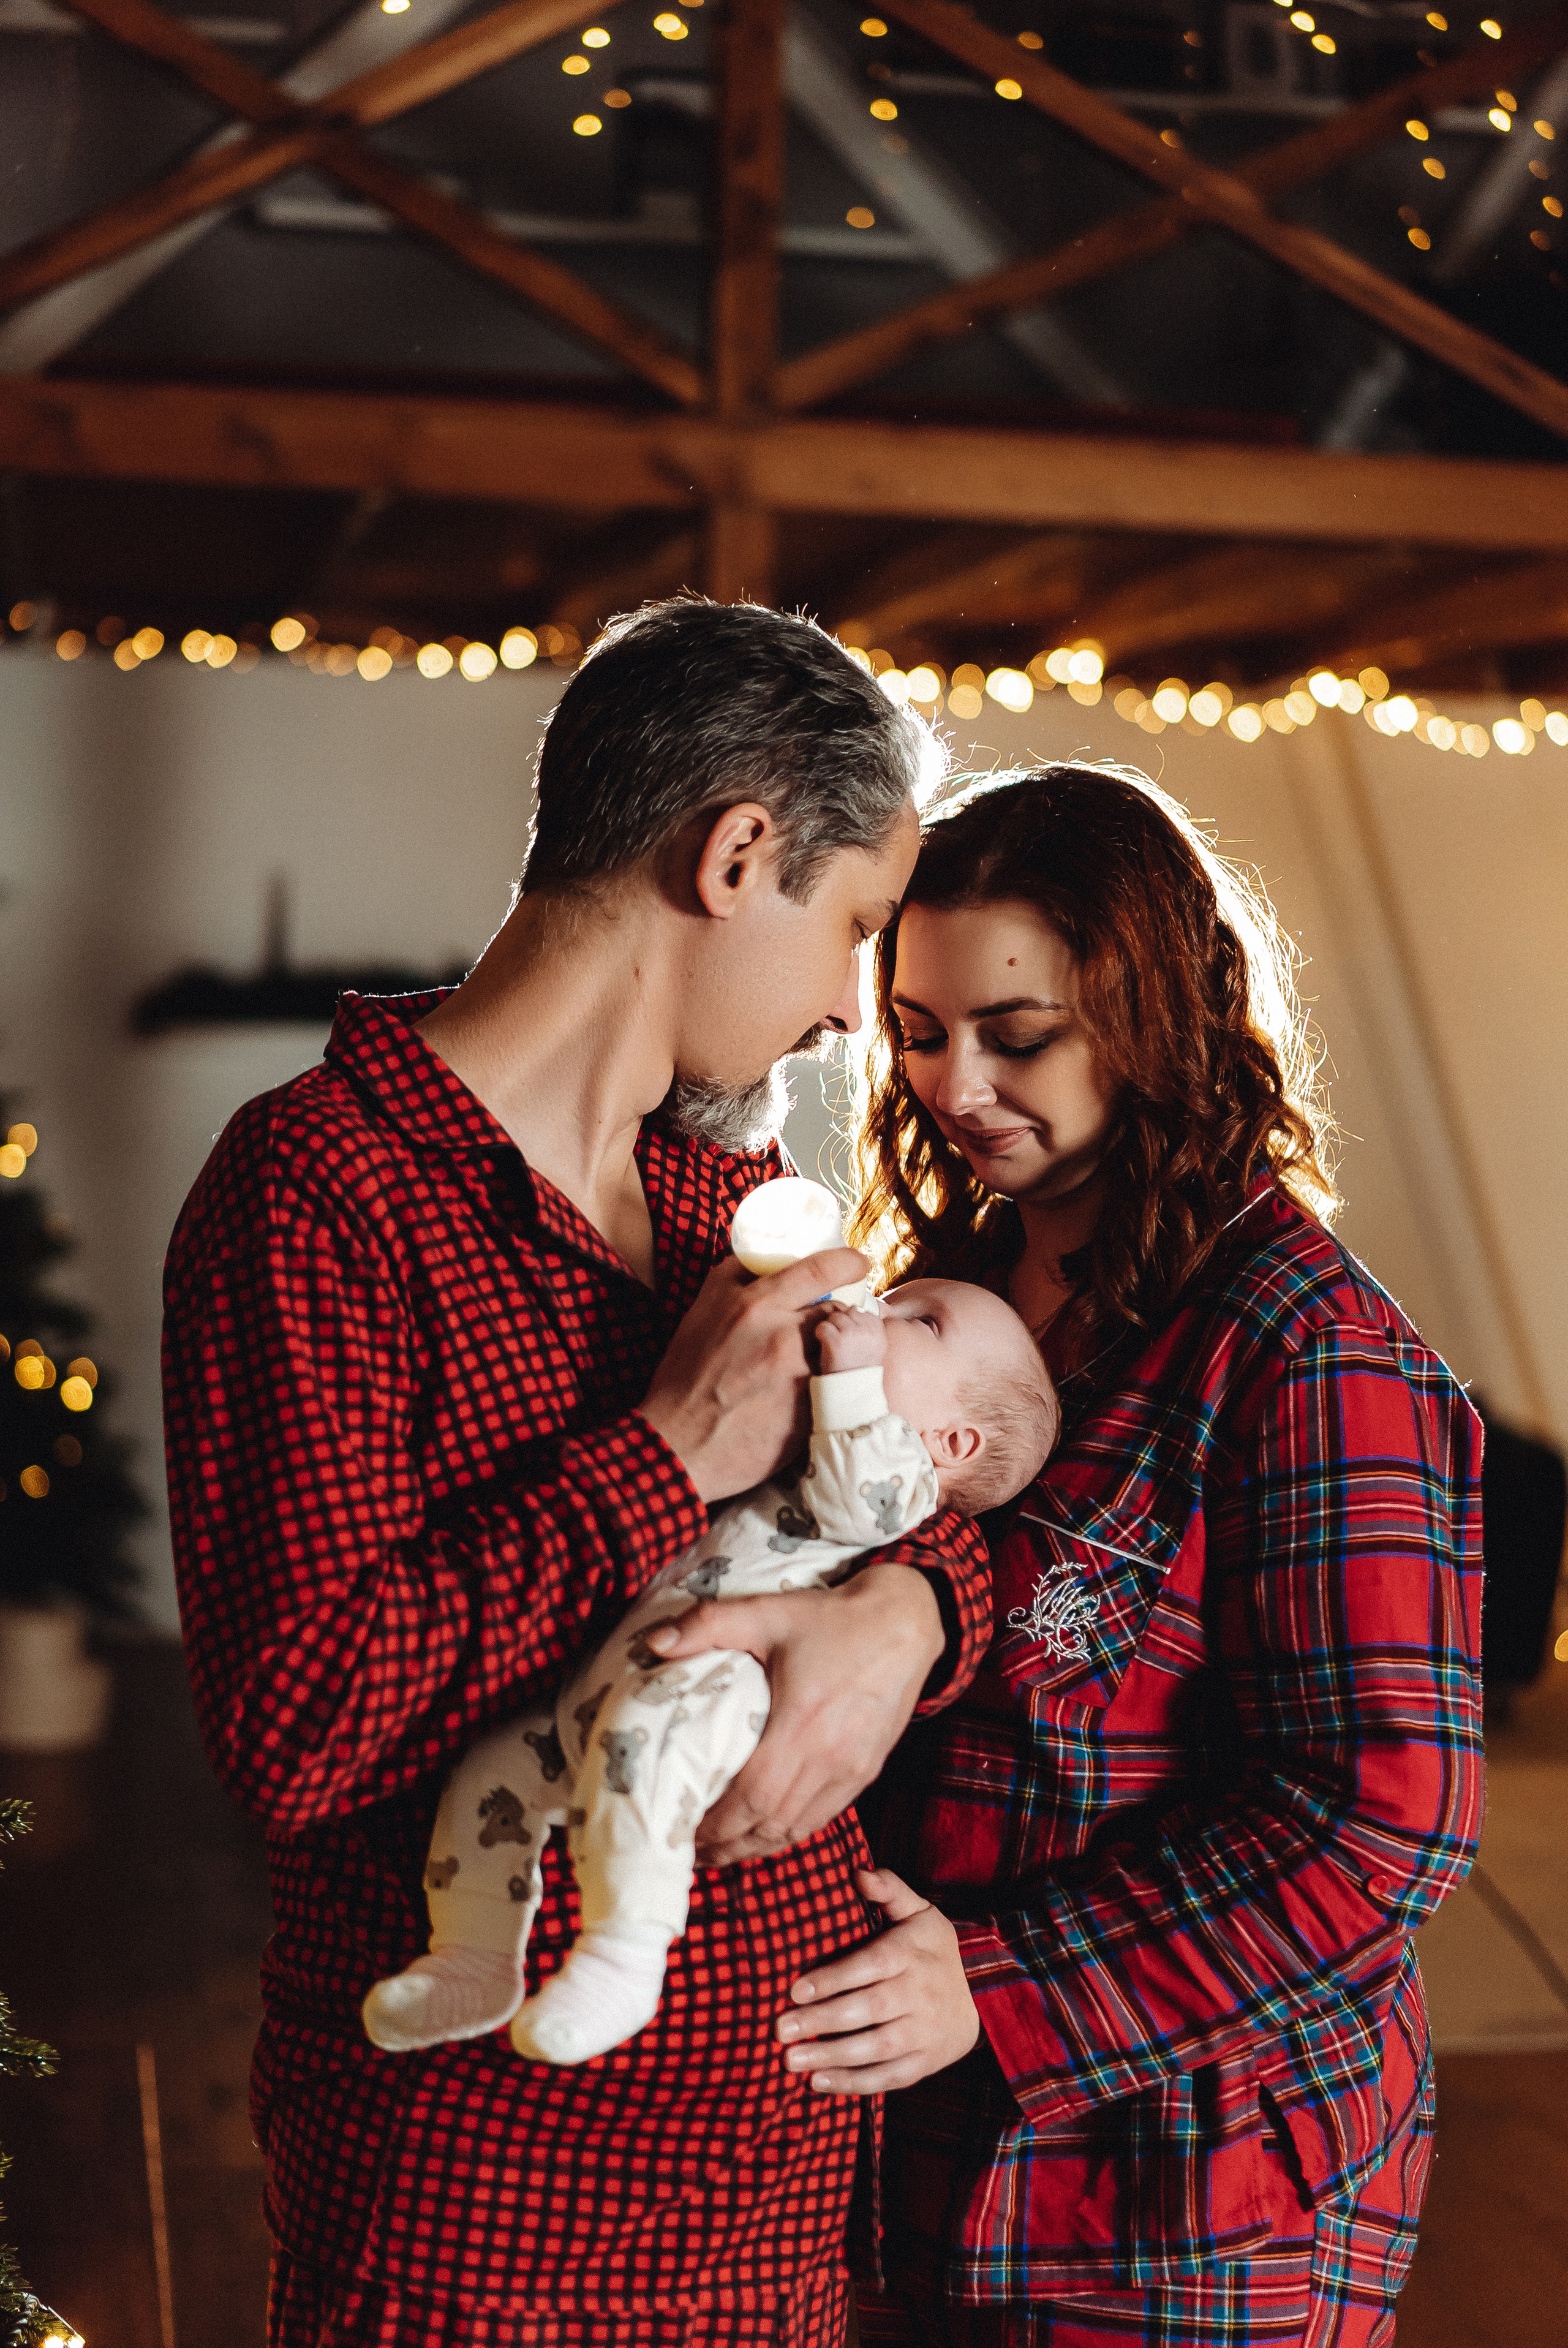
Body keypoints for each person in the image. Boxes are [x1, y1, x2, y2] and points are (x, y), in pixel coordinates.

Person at [161, 598, 993, 2348]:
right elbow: (302, 1723)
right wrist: (665, 1454)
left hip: (775, 2209)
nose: (857, 1016)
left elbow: (915, 1496)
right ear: (739, 853)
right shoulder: (320, 1190)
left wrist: (915, 1612)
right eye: (855, 927)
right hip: (479, 2232)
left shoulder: (723, 1211)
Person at [762, 767, 1484, 2347]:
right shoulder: (953, 1284)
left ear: (1149, 1010)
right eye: (923, 1029)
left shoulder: (1305, 1348)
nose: (956, 1084)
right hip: (927, 2157)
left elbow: (1383, 1819)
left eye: (1015, 1036)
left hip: (1184, 2194)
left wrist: (999, 1986)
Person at [363, 1281, 1058, 2067]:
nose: (881, 1310)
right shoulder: (819, 1431)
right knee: (493, 1772)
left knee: (642, 1761)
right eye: (892, 1295)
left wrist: (855, 1372)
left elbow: (861, 1501)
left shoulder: (899, 1474)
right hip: (622, 1671)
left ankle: (623, 1953)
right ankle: (475, 1954)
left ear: (952, 1443)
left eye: (918, 1320)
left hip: (719, 1686)